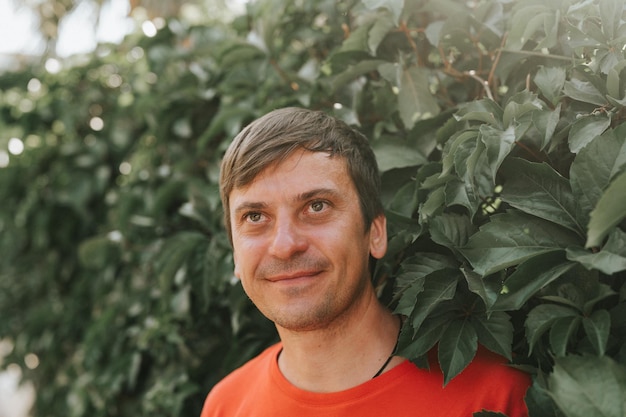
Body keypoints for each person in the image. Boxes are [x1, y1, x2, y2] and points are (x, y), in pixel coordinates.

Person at [201, 107, 530, 416]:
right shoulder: (226, 405)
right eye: (255, 216)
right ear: (234, 252)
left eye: (317, 206)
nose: (285, 246)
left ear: (375, 232)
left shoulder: (498, 396)